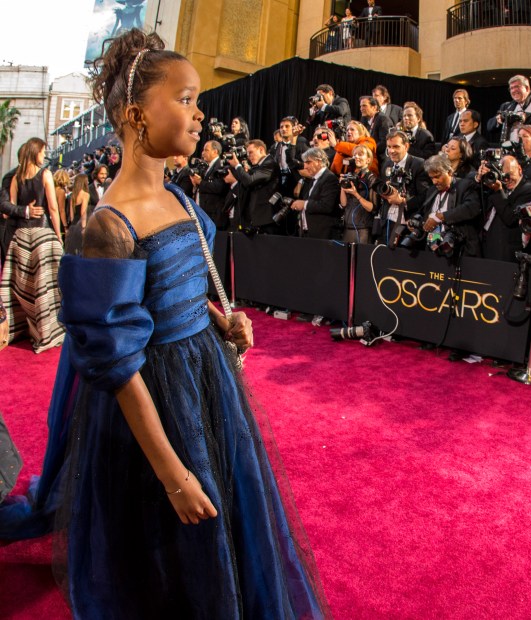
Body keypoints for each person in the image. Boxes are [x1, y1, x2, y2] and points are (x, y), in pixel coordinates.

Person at [28, 28, 330, 618]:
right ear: (137, 115)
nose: (200, 116)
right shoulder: (109, 226)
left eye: (198, 100)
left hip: (207, 385)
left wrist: (221, 324)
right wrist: (171, 474)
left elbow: (179, 297)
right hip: (154, 416)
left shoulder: (184, 201)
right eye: (186, 99)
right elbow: (116, 366)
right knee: (166, 559)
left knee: (228, 536)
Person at [0, 137, 65, 353]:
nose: (44, 155)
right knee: (44, 286)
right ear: (36, 151)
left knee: (22, 285)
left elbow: (10, 208)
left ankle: (21, 328)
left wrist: (24, 212)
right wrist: (58, 235)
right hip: (40, 236)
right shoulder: (45, 174)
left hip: (20, 237)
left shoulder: (16, 178)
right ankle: (46, 331)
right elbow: (53, 209)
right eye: (43, 151)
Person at [419, 154, 483, 258]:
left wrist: (442, 217)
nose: (434, 181)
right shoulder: (431, 190)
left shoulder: (465, 185)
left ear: (449, 172)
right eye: (431, 178)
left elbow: (472, 208)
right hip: (433, 249)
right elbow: (426, 214)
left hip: (461, 250)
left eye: (437, 176)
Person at [480, 155, 531, 262]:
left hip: (506, 252)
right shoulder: (499, 183)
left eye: (511, 175)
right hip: (488, 244)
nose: (507, 180)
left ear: (519, 169)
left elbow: (511, 218)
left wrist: (498, 191)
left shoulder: (529, 190)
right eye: (504, 176)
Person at [488, 74, 531, 142]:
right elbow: (489, 127)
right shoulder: (506, 106)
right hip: (510, 150)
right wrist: (498, 120)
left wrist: (528, 116)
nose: (513, 90)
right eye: (511, 88)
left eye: (517, 87)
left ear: (527, 88)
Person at [291, 147, 340, 239]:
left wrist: (304, 204)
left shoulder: (329, 178)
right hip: (310, 233)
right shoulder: (315, 179)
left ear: (318, 161)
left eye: (308, 162)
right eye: (304, 163)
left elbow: (326, 206)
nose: (305, 166)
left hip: (322, 234)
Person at [339, 145, 378, 244]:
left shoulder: (372, 178)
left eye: (360, 154)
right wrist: (342, 186)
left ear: (368, 160)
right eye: (354, 154)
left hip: (363, 229)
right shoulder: (351, 176)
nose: (356, 157)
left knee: (362, 258)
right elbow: (343, 204)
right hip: (348, 226)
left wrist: (356, 194)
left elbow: (372, 208)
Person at [64, 174, 92, 255]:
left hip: (73, 225)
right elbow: (83, 213)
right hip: (81, 224)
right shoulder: (85, 195)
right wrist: (83, 228)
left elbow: (72, 215)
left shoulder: (73, 195)